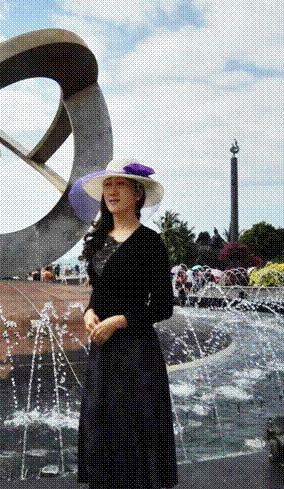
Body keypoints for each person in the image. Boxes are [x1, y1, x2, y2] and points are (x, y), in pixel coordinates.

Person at [69, 158, 178, 489]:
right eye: (107, 185)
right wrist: (89, 312)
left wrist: (119, 321)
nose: (112, 191)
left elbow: (163, 306)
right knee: (102, 427)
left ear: (138, 193)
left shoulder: (150, 242)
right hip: (103, 351)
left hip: (137, 353)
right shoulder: (99, 239)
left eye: (120, 184)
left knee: (134, 431)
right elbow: (100, 293)